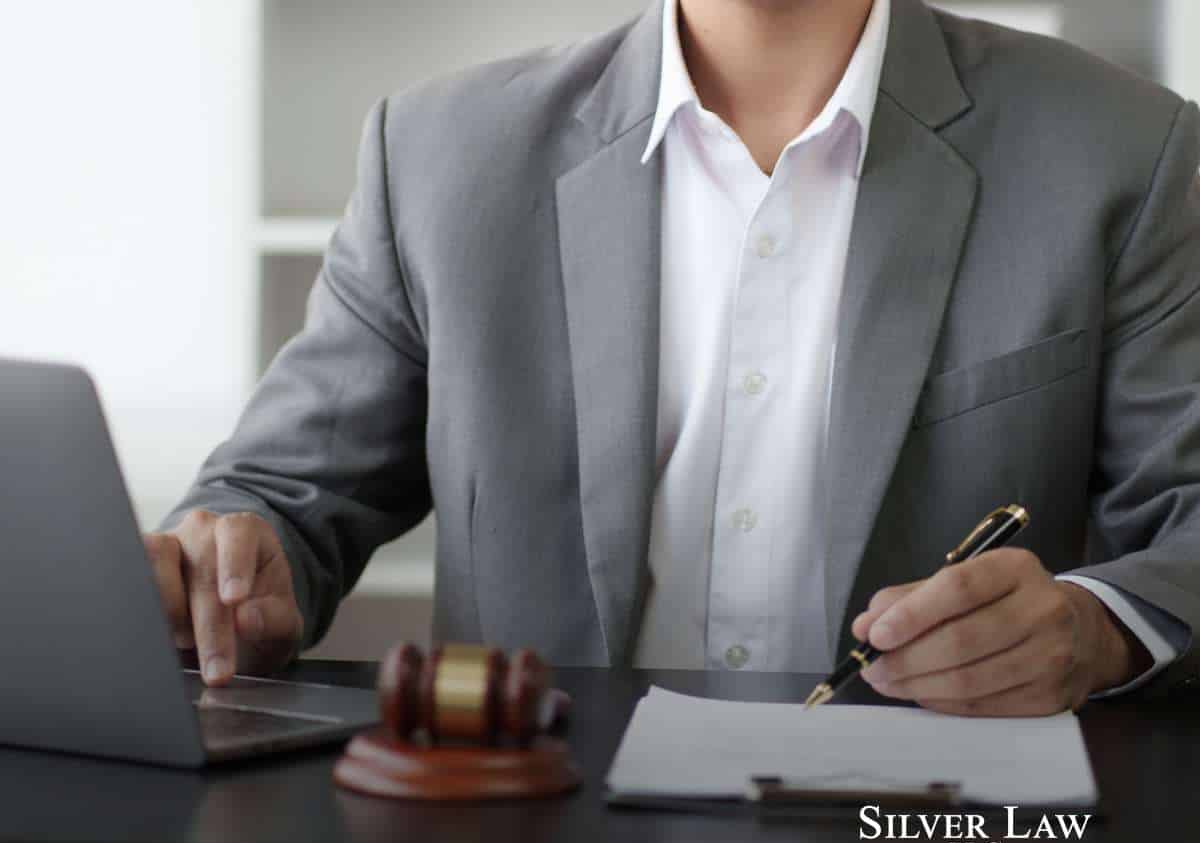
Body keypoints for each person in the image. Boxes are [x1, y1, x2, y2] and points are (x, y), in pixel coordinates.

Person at [145, 0, 1200, 716]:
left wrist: (1093, 628)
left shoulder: (1126, 153)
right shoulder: (435, 155)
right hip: (536, 832)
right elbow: (278, 496)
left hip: (929, 840)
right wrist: (232, 571)